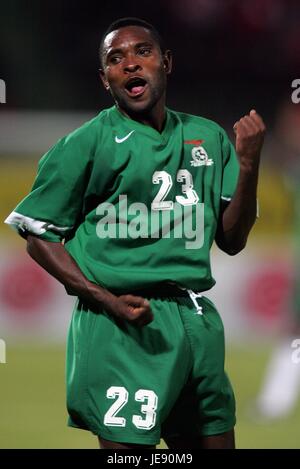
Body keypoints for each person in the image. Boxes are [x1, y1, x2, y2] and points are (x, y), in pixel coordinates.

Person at [4, 17, 265, 449]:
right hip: (120, 325)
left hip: (195, 319)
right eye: (115, 58)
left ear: (166, 63)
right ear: (104, 80)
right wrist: (104, 298)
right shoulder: (87, 142)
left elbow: (232, 242)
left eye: (141, 52)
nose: (129, 64)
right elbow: (38, 233)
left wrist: (250, 166)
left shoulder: (208, 138)